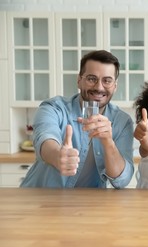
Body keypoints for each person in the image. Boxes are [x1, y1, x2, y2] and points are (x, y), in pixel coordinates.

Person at [20, 50, 135, 188]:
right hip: (42, 198)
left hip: (88, 204)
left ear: (115, 86)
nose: (99, 87)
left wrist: (108, 142)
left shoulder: (122, 122)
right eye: (92, 79)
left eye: (107, 81)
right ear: (79, 80)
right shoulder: (54, 108)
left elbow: (122, 180)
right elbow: (44, 139)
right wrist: (58, 156)